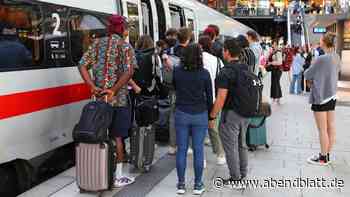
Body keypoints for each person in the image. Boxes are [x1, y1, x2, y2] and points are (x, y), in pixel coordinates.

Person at [78, 15, 135, 187]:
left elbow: (81, 65)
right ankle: (117, 176)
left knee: (99, 135)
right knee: (117, 137)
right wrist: (114, 90)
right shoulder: (125, 47)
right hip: (118, 100)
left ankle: (99, 172)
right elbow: (130, 71)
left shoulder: (96, 44)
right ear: (122, 28)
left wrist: (92, 86)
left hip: (98, 100)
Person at [173, 44, 213, 195]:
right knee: (198, 150)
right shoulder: (204, 73)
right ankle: (197, 184)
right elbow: (209, 98)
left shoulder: (177, 71)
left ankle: (181, 184)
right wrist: (211, 116)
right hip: (200, 114)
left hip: (181, 113)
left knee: (182, 150)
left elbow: (175, 88)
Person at [209, 38, 249, 188]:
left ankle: (235, 178)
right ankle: (243, 173)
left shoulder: (225, 72)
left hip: (231, 114)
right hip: (245, 113)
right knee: (241, 144)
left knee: (230, 147)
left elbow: (221, 98)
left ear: (226, 52)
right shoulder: (245, 67)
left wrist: (212, 115)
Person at [305, 33, 340, 165]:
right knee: (330, 126)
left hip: (321, 96)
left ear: (324, 42)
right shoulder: (336, 57)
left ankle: (323, 157)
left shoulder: (322, 59)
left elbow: (308, 73)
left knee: (322, 129)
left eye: (321, 39)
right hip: (332, 96)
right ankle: (327, 154)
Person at [164, 27, 193, 155]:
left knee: (173, 116)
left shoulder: (168, 51)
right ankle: (186, 145)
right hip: (187, 89)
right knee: (188, 116)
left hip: (173, 88)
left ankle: (172, 145)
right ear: (188, 38)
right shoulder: (191, 52)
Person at [198, 35, 226, 165]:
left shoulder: (196, 59)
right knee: (213, 127)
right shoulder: (218, 61)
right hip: (214, 99)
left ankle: (201, 159)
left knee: (199, 131)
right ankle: (220, 155)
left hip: (199, 99)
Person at [267, 39, 283, 104]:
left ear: (276, 44)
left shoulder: (278, 52)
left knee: (276, 83)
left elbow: (280, 62)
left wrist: (271, 63)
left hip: (278, 70)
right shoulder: (273, 51)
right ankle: (275, 98)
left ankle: (277, 98)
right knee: (274, 84)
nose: (272, 45)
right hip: (274, 70)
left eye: (273, 44)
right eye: (272, 44)